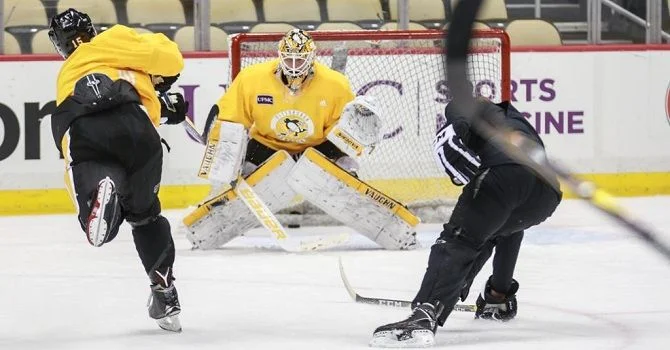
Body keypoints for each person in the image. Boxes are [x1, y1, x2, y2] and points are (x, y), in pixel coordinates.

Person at [183, 29, 419, 251]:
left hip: (318, 149)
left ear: (312, 57)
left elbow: (346, 131)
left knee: (346, 170)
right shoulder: (251, 78)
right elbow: (230, 120)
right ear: (280, 56)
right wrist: (227, 164)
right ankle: (207, 226)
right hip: (267, 146)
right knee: (237, 176)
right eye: (289, 59)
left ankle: (392, 227)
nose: (294, 66)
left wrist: (348, 157)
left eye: (300, 60)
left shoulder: (335, 83)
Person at [370, 98, 562, 347]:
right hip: (546, 194)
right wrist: (495, 289)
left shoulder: (477, 107)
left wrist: (457, 129)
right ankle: (498, 298)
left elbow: (457, 108)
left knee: (457, 240)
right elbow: (509, 232)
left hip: (504, 173)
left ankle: (425, 314)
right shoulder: (516, 121)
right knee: (498, 229)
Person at [48, 8, 187, 332]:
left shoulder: (68, 70)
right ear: (92, 29)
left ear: (60, 45)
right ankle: (165, 296)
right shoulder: (119, 41)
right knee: (147, 217)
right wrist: (163, 90)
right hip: (139, 129)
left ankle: (101, 192)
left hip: (87, 128)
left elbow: (99, 97)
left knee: (95, 222)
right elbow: (171, 60)